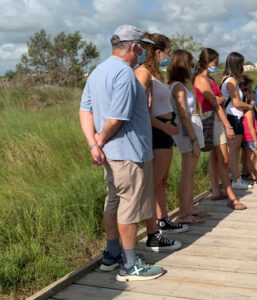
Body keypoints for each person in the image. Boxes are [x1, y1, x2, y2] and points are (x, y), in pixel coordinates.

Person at [79, 24, 167, 282]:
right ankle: (129, 264)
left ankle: (112, 255)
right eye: (141, 47)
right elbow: (117, 117)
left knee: (114, 201)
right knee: (129, 206)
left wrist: (93, 144)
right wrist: (101, 138)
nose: (142, 52)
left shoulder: (97, 71)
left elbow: (85, 109)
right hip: (129, 152)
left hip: (109, 153)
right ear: (134, 47)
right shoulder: (125, 74)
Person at [134, 33, 189, 236]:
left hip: (165, 129)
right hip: (158, 130)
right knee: (154, 181)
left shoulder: (154, 73)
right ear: (158, 52)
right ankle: (154, 229)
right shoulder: (143, 73)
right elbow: (142, 109)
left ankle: (163, 218)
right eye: (167, 52)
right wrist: (166, 127)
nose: (168, 56)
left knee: (162, 180)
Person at [193, 48, 242, 207]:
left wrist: (219, 99)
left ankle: (216, 190)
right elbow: (215, 103)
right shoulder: (201, 79)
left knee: (216, 158)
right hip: (214, 118)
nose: (217, 65)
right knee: (223, 158)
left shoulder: (211, 79)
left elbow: (217, 100)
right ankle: (231, 196)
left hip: (215, 116)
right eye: (215, 62)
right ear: (207, 62)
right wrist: (228, 125)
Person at [168, 49, 208, 223]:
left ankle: (190, 206)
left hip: (191, 130)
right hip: (187, 133)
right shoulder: (177, 87)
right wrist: (193, 139)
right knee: (187, 174)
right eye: (190, 64)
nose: (193, 68)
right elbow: (183, 114)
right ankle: (184, 213)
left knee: (190, 174)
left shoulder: (180, 86)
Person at [222, 52, 254, 194]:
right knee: (233, 152)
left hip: (231, 117)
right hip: (233, 118)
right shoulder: (232, 81)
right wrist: (249, 106)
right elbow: (236, 102)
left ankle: (234, 177)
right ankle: (236, 179)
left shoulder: (224, 79)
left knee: (232, 151)